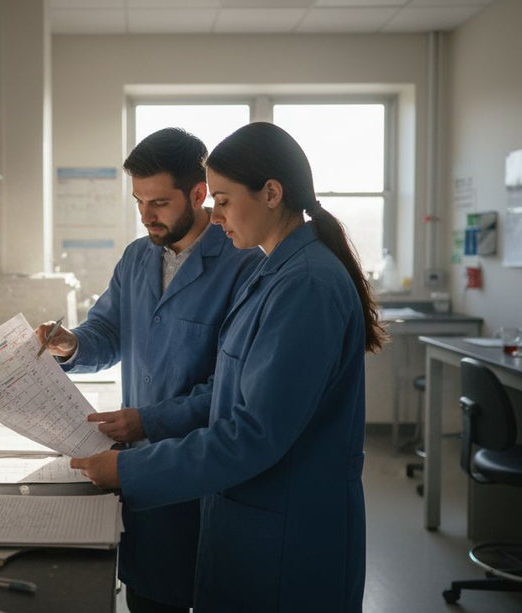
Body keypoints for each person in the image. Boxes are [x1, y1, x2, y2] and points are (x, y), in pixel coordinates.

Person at [70, 122, 387, 612]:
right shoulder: (275, 270)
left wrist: (130, 467)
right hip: (248, 518)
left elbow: (251, 432)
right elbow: (234, 401)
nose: (214, 217)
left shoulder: (303, 284)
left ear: (271, 193)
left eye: (221, 199)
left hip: (286, 534)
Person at [36, 127, 263, 612]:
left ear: (198, 194)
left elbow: (231, 387)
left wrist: (151, 420)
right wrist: (71, 344)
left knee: (209, 586)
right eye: (138, 201)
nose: (145, 216)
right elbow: (108, 332)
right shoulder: (138, 258)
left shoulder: (242, 263)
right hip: (138, 468)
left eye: (158, 203)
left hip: (202, 466)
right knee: (150, 595)